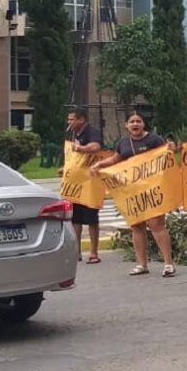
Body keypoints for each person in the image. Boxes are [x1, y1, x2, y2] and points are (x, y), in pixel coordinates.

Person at [89, 111, 178, 277]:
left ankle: (168, 263)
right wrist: (99, 165)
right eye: (132, 122)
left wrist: (172, 148)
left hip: (153, 190)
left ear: (143, 124)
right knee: (136, 226)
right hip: (132, 192)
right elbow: (115, 160)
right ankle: (141, 264)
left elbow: (167, 153)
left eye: (138, 121)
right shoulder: (123, 142)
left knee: (156, 225)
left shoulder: (153, 140)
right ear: (127, 125)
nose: (135, 124)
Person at [64, 108, 104, 264]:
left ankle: (94, 253)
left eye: (72, 119)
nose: (69, 122)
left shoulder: (91, 132)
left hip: (90, 184)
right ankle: (77, 251)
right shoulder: (73, 134)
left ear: (81, 120)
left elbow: (96, 147)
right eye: (69, 119)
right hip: (75, 185)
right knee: (76, 219)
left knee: (92, 219)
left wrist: (80, 148)